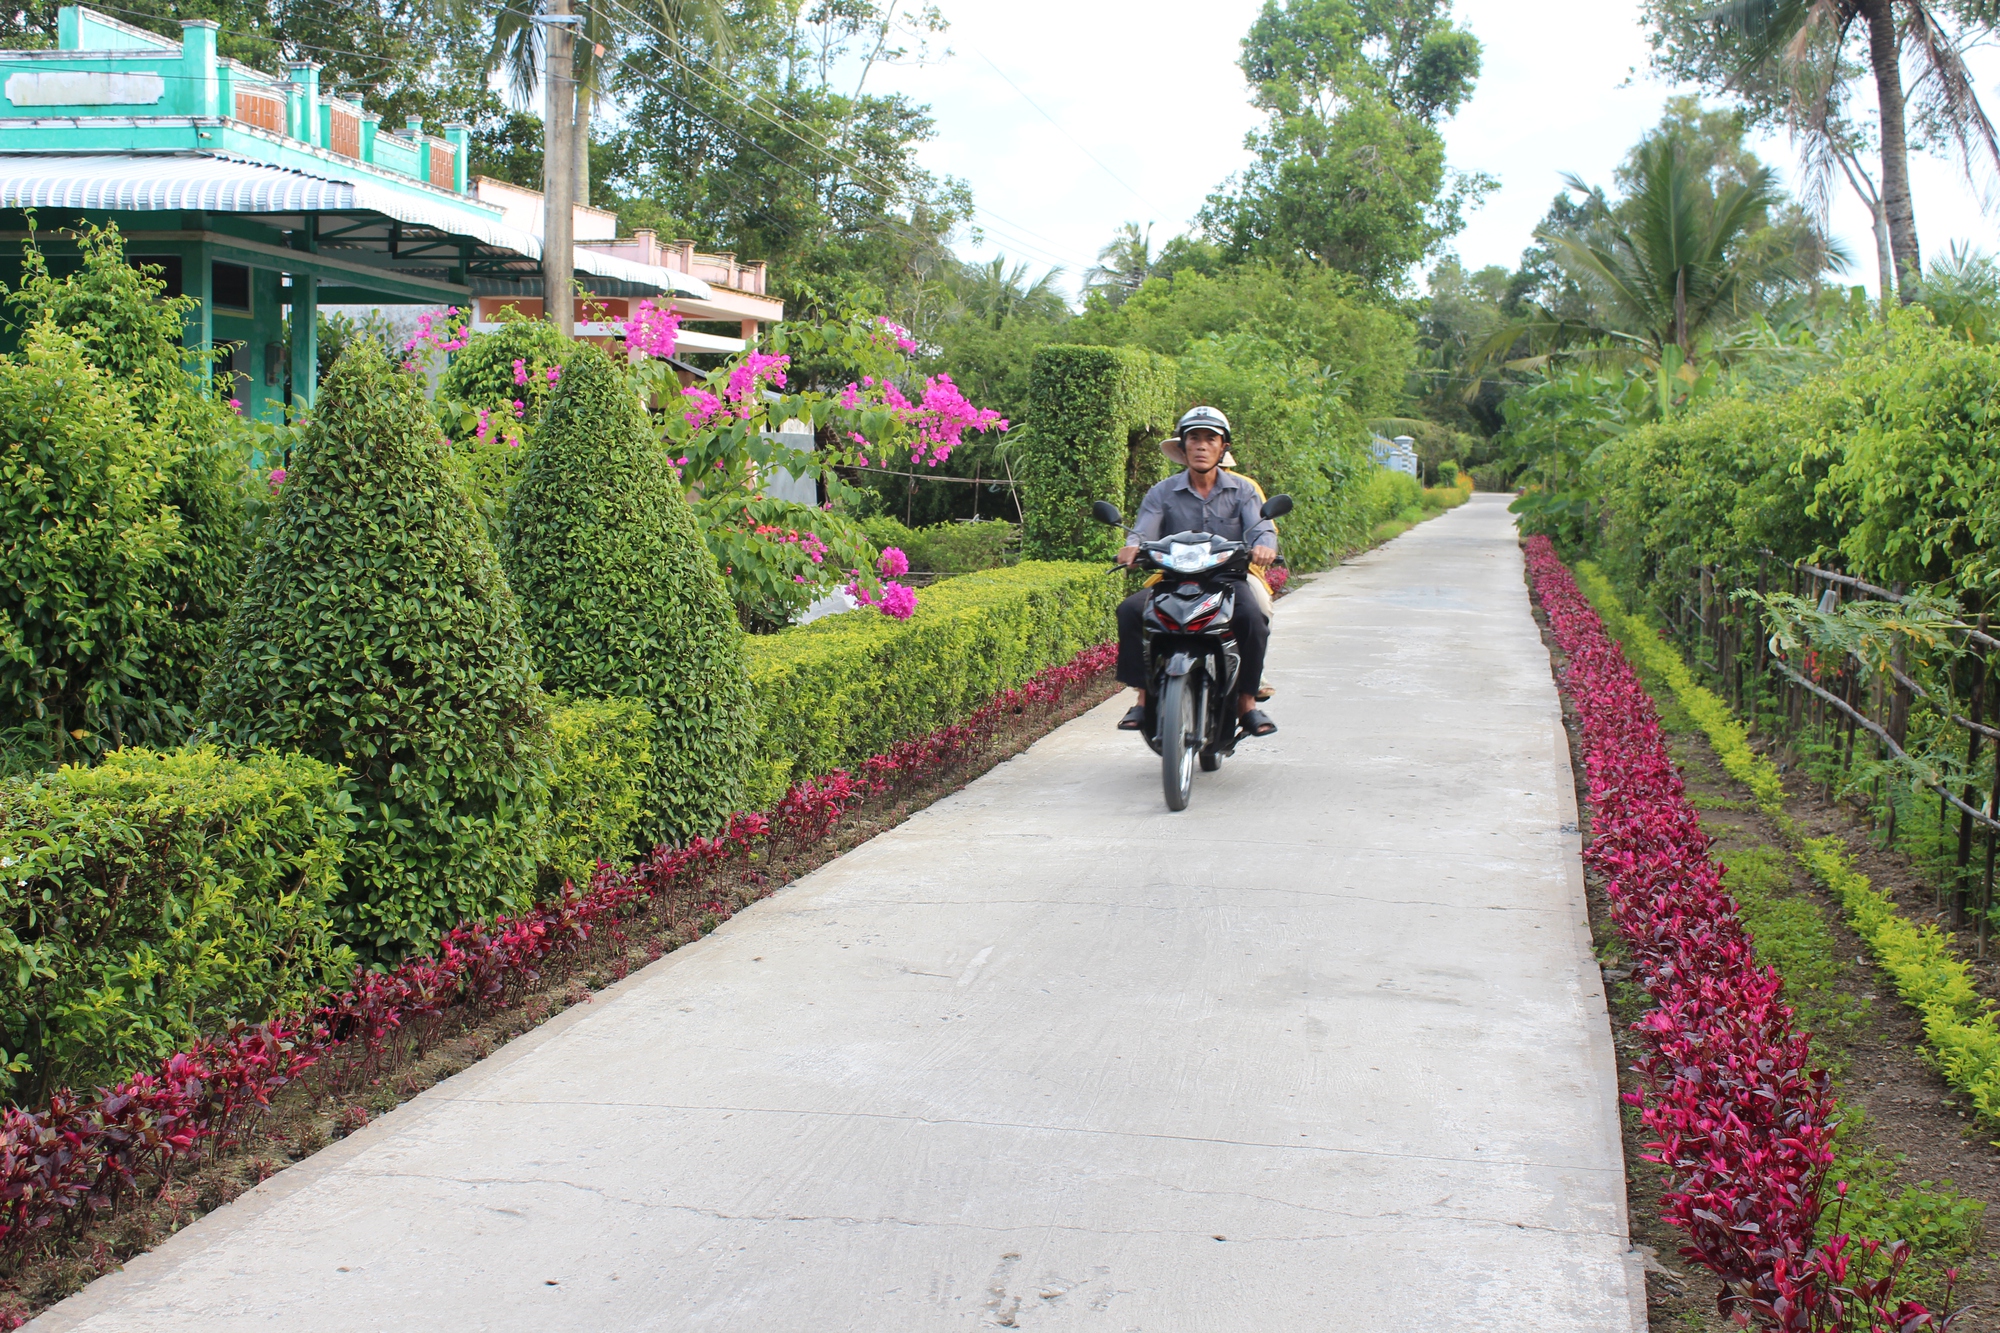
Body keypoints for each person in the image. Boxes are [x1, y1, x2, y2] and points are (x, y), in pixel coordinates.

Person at [1115, 405, 1278, 737]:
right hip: (1172, 577)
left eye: (1210, 439)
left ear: (1223, 448)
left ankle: (1247, 704)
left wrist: (1264, 545)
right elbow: (1144, 530)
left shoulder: (1243, 490)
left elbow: (1262, 528)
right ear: (1183, 446)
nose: (1201, 446)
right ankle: (1144, 700)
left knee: (1253, 618)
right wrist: (1133, 545)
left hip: (1228, 578)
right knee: (1129, 611)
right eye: (1194, 439)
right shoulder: (1162, 492)